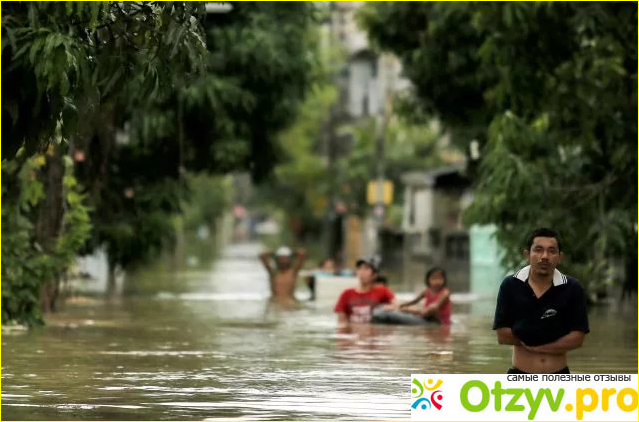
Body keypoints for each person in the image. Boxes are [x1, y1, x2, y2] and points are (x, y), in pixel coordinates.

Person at [492, 228, 590, 374]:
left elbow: (577, 338)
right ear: (527, 254)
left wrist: (537, 345)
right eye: (538, 250)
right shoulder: (511, 285)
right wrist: (550, 333)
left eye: (551, 251)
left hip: (558, 376)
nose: (545, 256)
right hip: (520, 375)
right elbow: (502, 335)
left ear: (560, 257)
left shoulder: (572, 288)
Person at [334, 255, 397, 328]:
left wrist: (392, 307)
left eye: (366, 269)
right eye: (360, 268)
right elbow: (341, 322)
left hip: (374, 333)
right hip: (354, 333)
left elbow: (397, 305)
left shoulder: (382, 291)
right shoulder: (347, 294)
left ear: (375, 274)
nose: (362, 272)